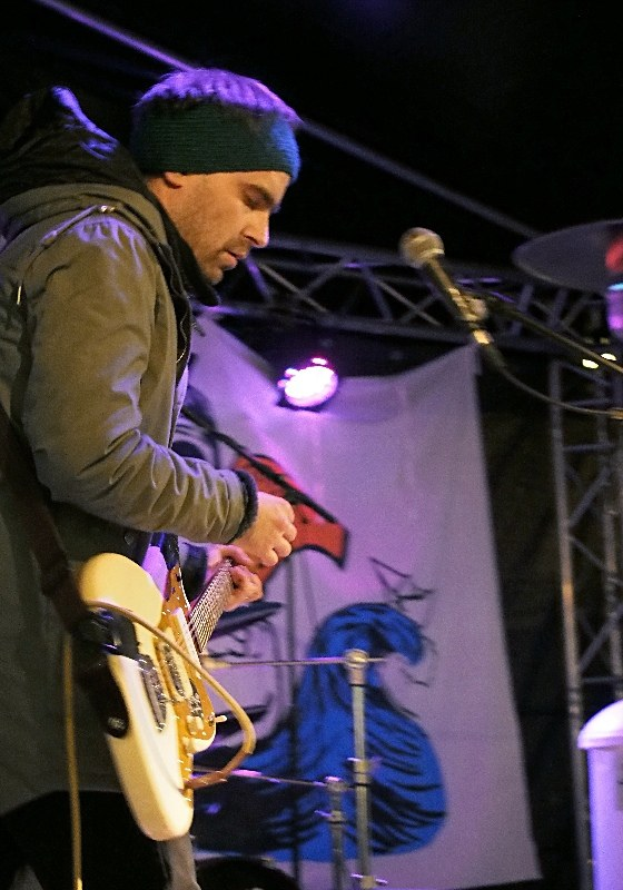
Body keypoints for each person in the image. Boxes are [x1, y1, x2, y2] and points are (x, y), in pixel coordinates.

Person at [0, 66, 302, 890]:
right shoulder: (107, 246)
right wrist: (238, 508)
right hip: (52, 704)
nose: (261, 234)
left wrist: (196, 572)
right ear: (178, 169)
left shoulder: (95, 242)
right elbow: (89, 458)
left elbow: (67, 492)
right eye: (252, 198)